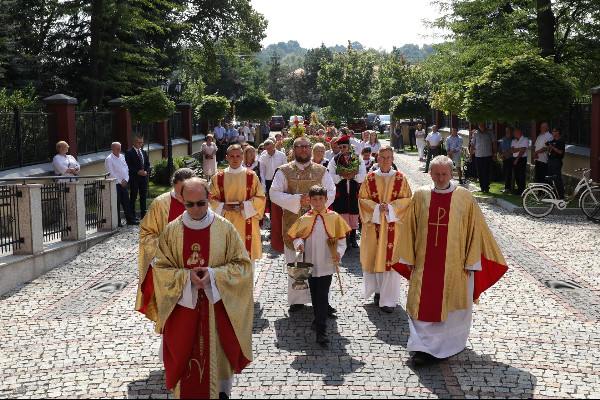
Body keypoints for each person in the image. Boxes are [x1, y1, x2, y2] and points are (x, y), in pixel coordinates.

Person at [395, 156, 508, 367]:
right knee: (422, 303)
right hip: (424, 263)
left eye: (444, 174)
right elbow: (410, 227)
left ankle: (450, 344)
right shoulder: (420, 195)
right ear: (430, 174)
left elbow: (475, 230)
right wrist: (407, 257)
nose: (440, 178)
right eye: (436, 174)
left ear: (451, 174)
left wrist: (472, 261)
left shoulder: (464, 197)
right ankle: (421, 347)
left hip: (455, 265)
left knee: (452, 306)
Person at [153, 177, 253, 398]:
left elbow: (243, 266)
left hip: (217, 309)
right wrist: (186, 278)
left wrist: (214, 275)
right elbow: (160, 269)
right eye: (189, 204)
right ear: (182, 201)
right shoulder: (171, 231)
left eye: (201, 203)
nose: (196, 209)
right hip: (184, 311)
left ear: (209, 198)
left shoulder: (225, 229)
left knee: (217, 371)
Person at [269, 137, 336, 312]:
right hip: (293, 223)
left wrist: (315, 204)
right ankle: (297, 299)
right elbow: (274, 193)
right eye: (300, 147)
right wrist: (297, 200)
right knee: (296, 259)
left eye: (307, 147)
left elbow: (331, 191)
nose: (304, 150)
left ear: (311, 149)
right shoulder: (284, 171)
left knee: (319, 262)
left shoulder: (321, 171)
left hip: (318, 222)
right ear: (294, 149)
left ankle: (322, 301)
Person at [288, 185, 351, 346]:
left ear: (326, 199)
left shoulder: (334, 217)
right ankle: (318, 320)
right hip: (310, 263)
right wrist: (299, 244)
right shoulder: (305, 218)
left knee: (322, 294)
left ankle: (321, 330)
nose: (317, 202)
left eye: (320, 199)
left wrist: (339, 253)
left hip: (327, 263)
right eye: (314, 199)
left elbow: (342, 241)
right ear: (310, 200)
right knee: (315, 295)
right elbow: (297, 237)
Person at [135, 168, 196, 323]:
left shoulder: (200, 202)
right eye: (179, 191)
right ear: (173, 185)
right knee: (170, 315)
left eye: (186, 191)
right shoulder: (161, 204)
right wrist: (163, 251)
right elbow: (146, 233)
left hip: (196, 265)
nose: (183, 197)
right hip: (170, 268)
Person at [358, 145, 412, 313]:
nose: (386, 160)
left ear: (393, 159)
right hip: (373, 226)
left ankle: (389, 300)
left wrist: (390, 208)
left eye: (389, 157)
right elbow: (362, 199)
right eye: (383, 157)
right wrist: (376, 209)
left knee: (390, 263)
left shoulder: (401, 179)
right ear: (378, 159)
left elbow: (408, 200)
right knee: (374, 258)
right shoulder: (369, 178)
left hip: (393, 227)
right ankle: (378, 291)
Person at [209, 145, 266, 276]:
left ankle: (247, 294)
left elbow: (261, 199)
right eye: (232, 156)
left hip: (247, 223)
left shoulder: (251, 176)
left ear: (242, 157)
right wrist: (222, 206)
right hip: (225, 222)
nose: (235, 159)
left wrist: (245, 205)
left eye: (238, 156)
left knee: (247, 264)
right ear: (227, 158)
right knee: (226, 262)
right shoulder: (218, 177)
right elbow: (210, 200)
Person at [328, 135, 367, 248]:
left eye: (344, 147)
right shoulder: (335, 160)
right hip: (341, 191)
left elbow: (362, 175)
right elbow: (331, 176)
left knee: (353, 213)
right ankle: (344, 239)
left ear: (349, 146)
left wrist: (353, 176)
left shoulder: (357, 158)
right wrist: (342, 176)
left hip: (354, 190)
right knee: (342, 213)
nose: (342, 150)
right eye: (340, 147)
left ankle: (353, 238)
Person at [105, 142, 138, 226]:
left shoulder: (122, 156)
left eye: (119, 148)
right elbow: (111, 172)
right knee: (117, 202)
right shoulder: (109, 159)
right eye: (116, 148)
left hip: (124, 182)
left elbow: (126, 169)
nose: (118, 150)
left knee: (126, 202)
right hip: (116, 183)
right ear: (112, 149)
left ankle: (129, 219)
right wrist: (120, 181)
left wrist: (126, 179)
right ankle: (118, 222)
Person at [259, 139, 288, 216]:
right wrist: (264, 187)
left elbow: (286, 170)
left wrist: (286, 183)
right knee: (272, 202)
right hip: (269, 181)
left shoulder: (282, 155)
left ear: (274, 146)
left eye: (271, 148)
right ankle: (273, 222)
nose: (270, 150)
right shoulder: (263, 157)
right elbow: (262, 173)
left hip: (280, 181)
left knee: (281, 200)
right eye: (267, 149)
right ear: (265, 148)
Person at [125, 136, 151, 220]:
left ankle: (143, 213)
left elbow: (147, 164)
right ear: (134, 142)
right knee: (133, 196)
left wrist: (146, 171)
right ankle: (132, 214)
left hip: (143, 178)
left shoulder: (143, 152)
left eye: (141, 142)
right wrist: (137, 171)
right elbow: (128, 166)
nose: (140, 144)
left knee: (143, 196)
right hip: (134, 178)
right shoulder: (129, 152)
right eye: (139, 142)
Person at [469, 123, 498, 193]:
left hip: (487, 155)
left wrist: (495, 154)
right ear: (478, 126)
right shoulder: (476, 133)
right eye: (480, 125)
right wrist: (470, 156)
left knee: (486, 172)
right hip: (478, 156)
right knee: (480, 172)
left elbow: (494, 143)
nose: (481, 126)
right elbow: (472, 145)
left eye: (482, 125)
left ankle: (486, 187)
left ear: (485, 125)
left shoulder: (490, 132)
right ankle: (482, 187)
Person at [509, 128, 529, 195]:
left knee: (521, 174)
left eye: (515, 132)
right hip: (514, 158)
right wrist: (519, 149)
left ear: (519, 132)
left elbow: (523, 150)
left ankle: (522, 190)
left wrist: (517, 158)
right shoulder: (514, 140)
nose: (514, 133)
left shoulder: (525, 139)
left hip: (521, 159)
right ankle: (518, 189)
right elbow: (511, 150)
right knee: (516, 175)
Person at [547, 127, 566, 199]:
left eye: (554, 131)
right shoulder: (553, 140)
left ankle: (560, 195)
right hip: (550, 161)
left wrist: (552, 147)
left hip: (556, 161)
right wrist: (549, 147)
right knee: (550, 178)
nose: (553, 132)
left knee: (557, 178)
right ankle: (552, 194)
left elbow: (560, 152)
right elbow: (549, 149)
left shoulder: (561, 141)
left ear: (558, 132)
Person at [497, 127, 515, 193]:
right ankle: (506, 188)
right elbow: (499, 148)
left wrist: (502, 155)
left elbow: (511, 150)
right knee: (505, 173)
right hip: (504, 159)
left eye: (509, 131)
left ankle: (509, 188)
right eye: (507, 131)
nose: (508, 133)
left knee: (509, 174)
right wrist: (501, 155)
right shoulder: (502, 139)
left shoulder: (513, 140)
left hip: (511, 158)